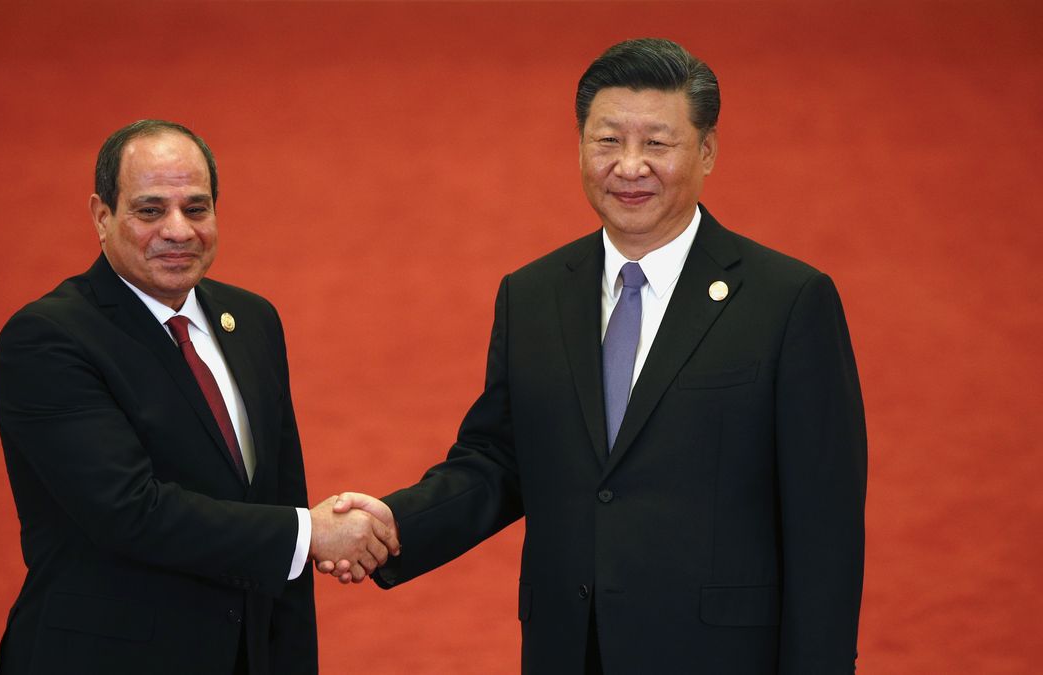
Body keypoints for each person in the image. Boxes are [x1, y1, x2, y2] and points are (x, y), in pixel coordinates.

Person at [321, 39, 866, 674]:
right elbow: (499, 460)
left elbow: (824, 526)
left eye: (657, 144)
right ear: (580, 145)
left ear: (708, 151)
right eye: (607, 141)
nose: (629, 167)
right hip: (570, 650)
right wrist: (393, 525)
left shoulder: (788, 300)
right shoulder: (533, 294)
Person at [0, 119, 397, 675]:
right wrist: (310, 533)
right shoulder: (48, 339)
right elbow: (129, 511)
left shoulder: (252, 320)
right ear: (101, 216)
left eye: (197, 208)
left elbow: (277, 496)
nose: (179, 231)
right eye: (151, 210)